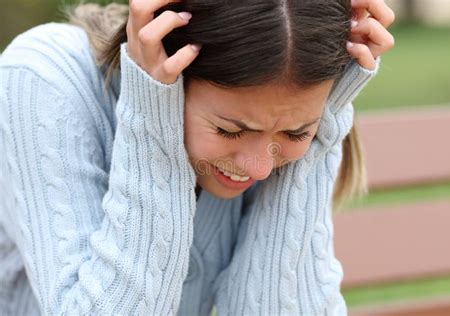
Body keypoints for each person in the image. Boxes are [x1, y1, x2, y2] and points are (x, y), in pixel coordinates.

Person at [0, 0, 394, 315]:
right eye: (230, 130)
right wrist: (152, 113)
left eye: (296, 132)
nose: (258, 167)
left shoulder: (293, 125)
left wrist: (325, 123)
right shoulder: (42, 79)